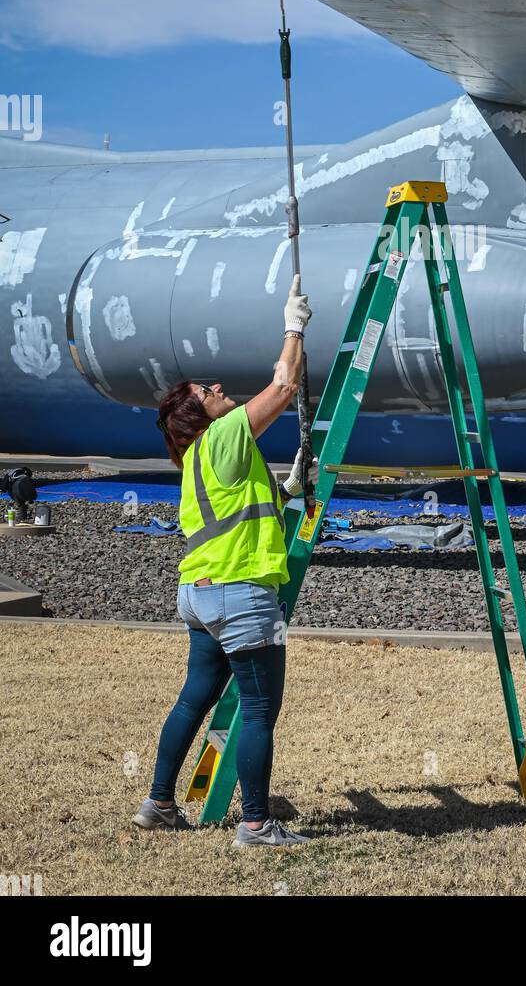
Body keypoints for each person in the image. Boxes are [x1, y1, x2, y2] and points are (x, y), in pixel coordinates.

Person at [131, 274, 313, 847]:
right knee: (259, 707)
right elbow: (284, 386)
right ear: (200, 416)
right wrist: (294, 325)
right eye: (204, 391)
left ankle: (159, 802)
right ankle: (256, 824)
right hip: (239, 592)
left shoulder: (194, 463)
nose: (215, 386)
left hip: (199, 594)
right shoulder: (224, 435)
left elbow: (229, 514)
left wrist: (283, 491)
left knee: (195, 696)